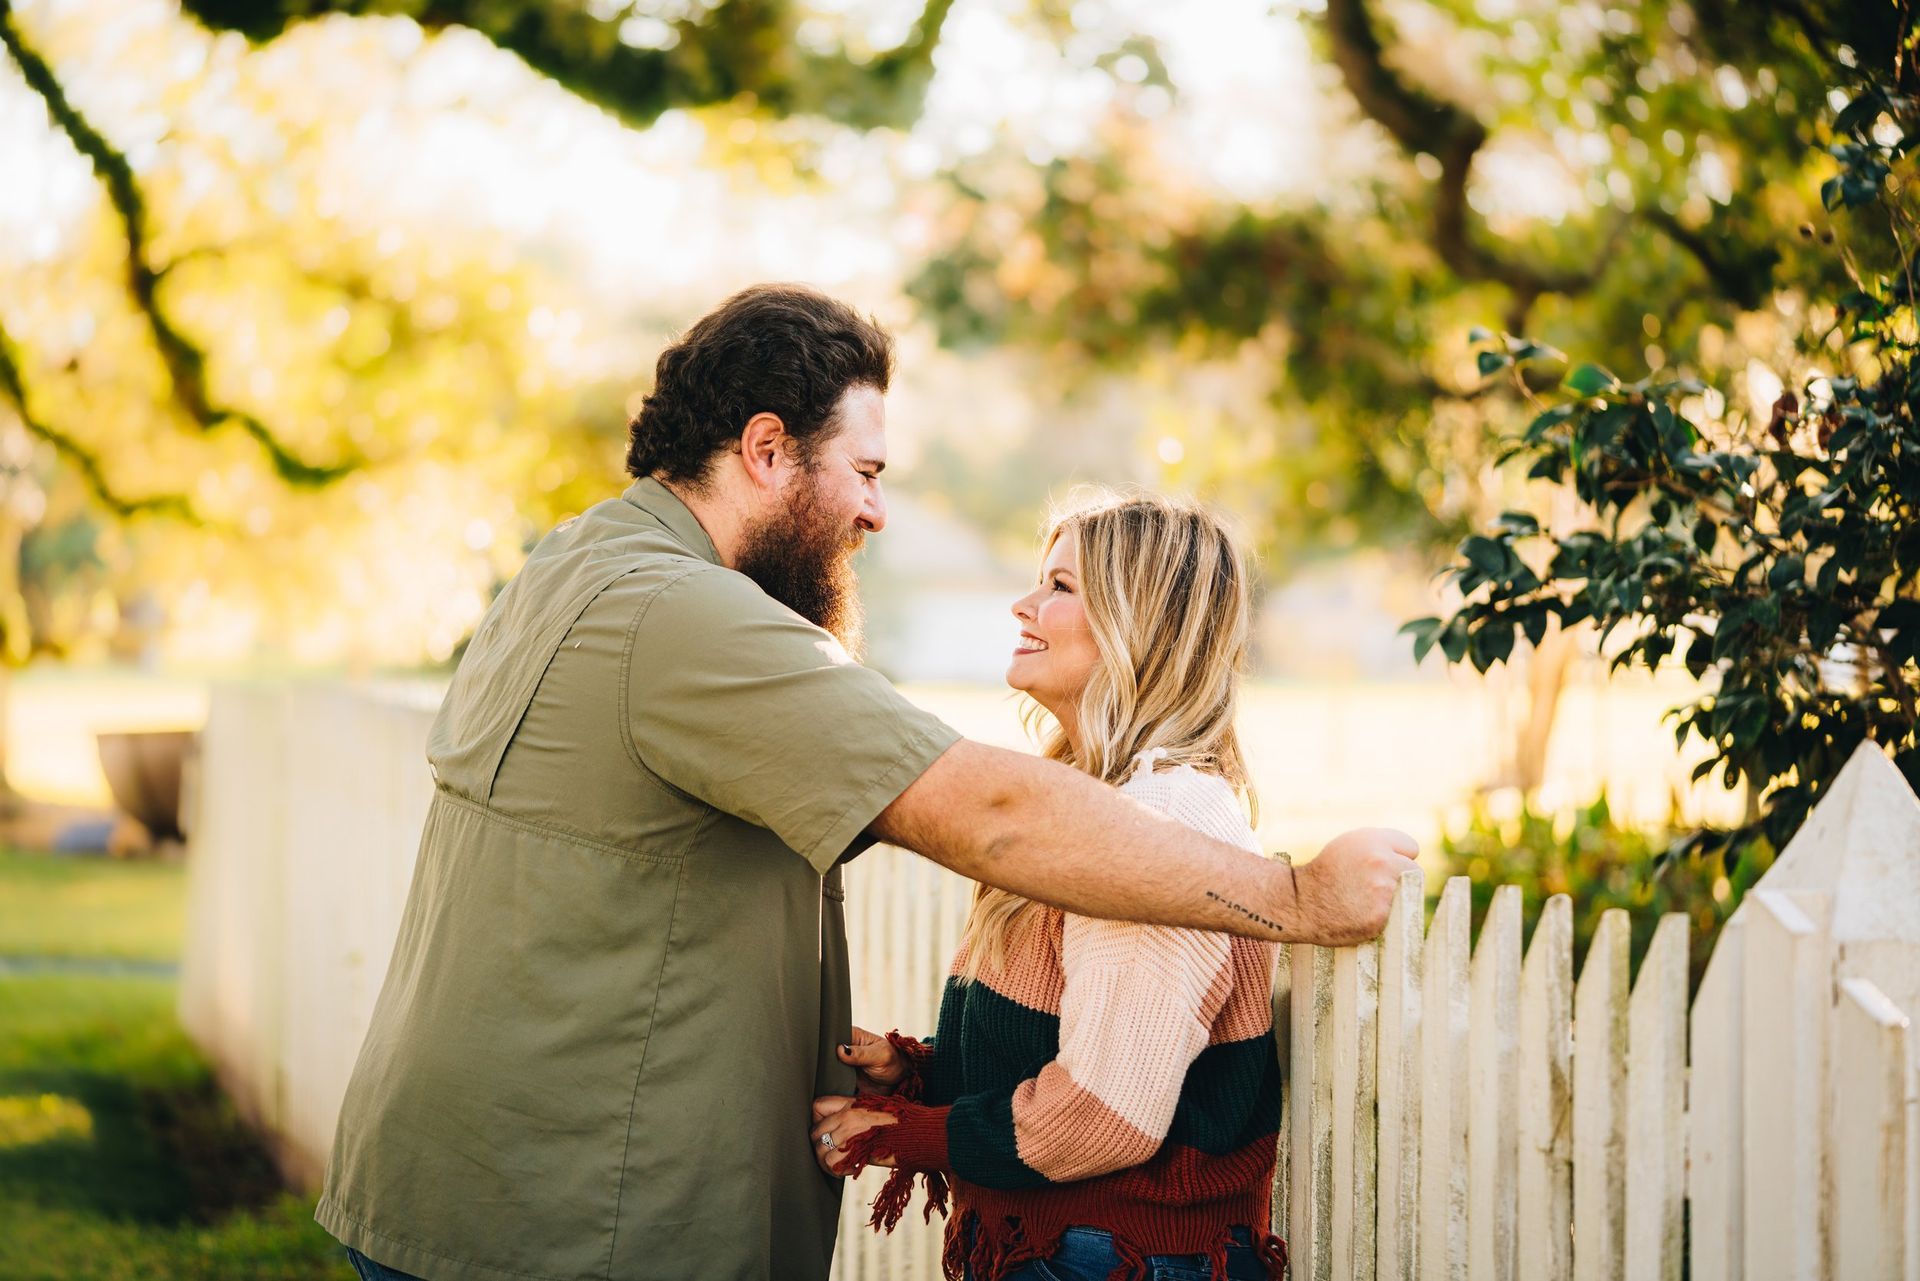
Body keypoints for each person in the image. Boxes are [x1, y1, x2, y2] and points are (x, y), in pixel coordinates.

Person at [315, 285, 1417, 1281]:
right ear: (766, 450)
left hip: (459, 1186)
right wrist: (1298, 900)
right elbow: (982, 812)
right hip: (561, 1224)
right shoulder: (688, 618)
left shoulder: (575, 562)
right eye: (868, 472)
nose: (877, 515)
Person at [811, 493, 1293, 1280]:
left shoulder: (1163, 816)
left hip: (1115, 1256)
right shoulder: (1097, 801)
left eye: (1060, 586)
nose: (1023, 603)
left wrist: (907, 1130)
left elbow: (1106, 1114)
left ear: (1139, 623)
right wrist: (919, 1073)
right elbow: (1093, 1047)